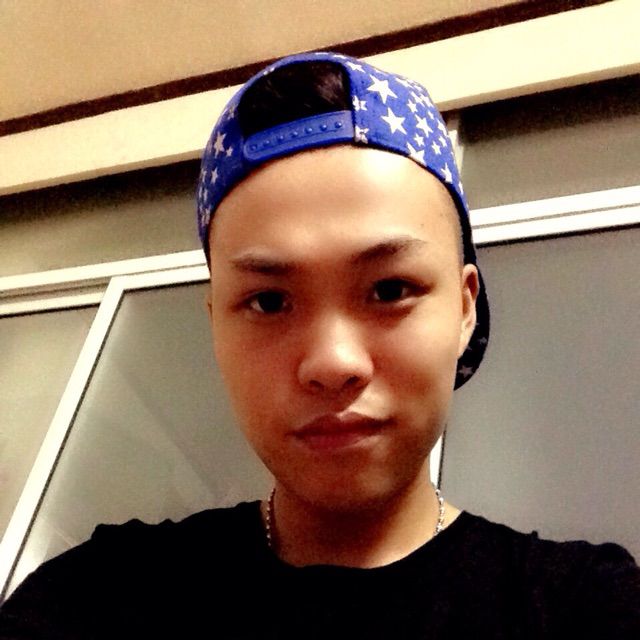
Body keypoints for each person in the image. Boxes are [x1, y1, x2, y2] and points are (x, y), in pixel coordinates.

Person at [1, 51, 638, 639]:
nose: (333, 364)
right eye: (269, 302)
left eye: (390, 289)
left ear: (465, 308)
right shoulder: (94, 598)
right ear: (215, 325)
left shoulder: (586, 610)